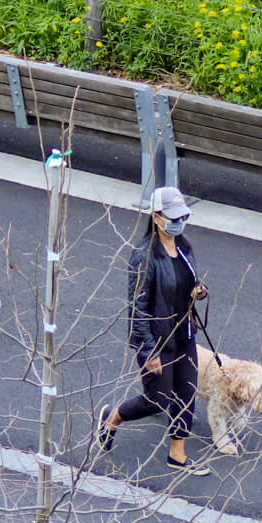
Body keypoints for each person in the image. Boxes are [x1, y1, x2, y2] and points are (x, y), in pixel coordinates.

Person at [96, 185, 210, 475]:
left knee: (186, 392)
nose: (179, 221)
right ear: (156, 217)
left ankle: (178, 454)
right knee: (156, 400)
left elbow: (186, 283)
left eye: (182, 215)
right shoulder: (143, 257)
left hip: (184, 332)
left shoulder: (184, 247)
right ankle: (112, 417)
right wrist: (148, 350)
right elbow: (137, 307)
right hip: (158, 340)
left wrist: (197, 293)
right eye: (172, 216)